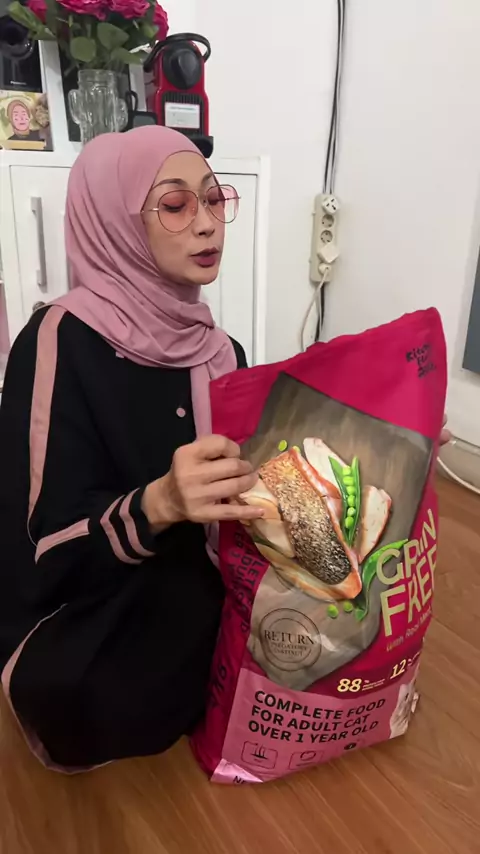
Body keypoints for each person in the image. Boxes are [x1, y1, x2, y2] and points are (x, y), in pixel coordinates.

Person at [0, 126, 264, 770]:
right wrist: (159, 503)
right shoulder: (60, 339)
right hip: (89, 592)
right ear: (114, 222)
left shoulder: (220, 351)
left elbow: (252, 480)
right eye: (175, 205)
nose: (207, 224)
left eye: (214, 199)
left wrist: (382, 436)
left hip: (193, 576)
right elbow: (42, 545)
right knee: (87, 693)